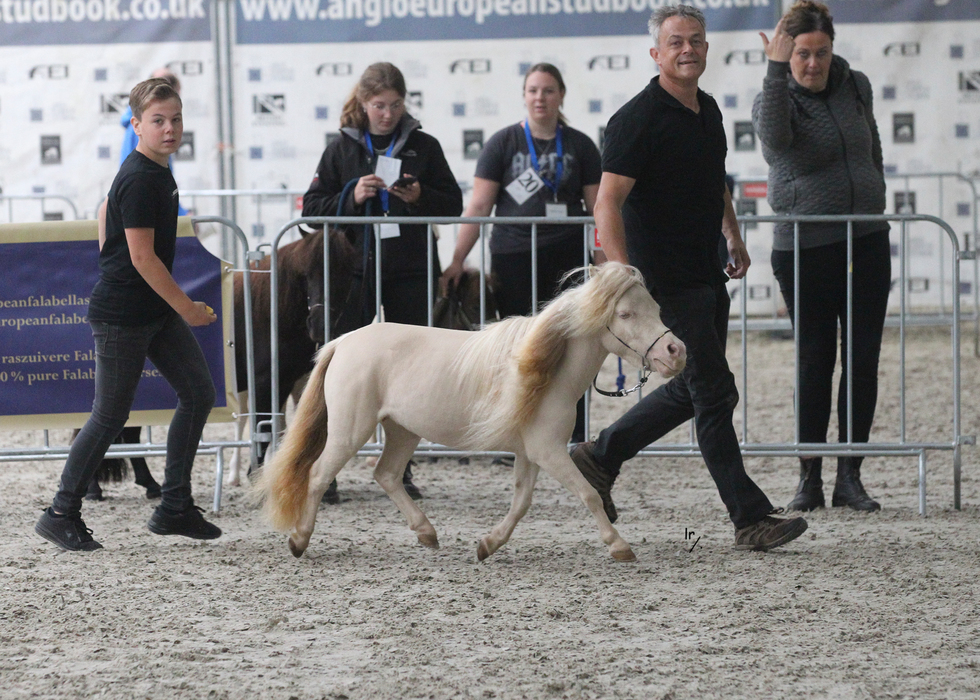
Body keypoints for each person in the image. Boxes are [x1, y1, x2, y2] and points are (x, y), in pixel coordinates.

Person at [569, 5, 808, 551]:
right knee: (714, 392)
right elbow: (607, 203)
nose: (688, 49)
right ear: (656, 53)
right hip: (663, 284)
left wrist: (733, 233)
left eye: (696, 40)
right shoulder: (635, 119)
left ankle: (600, 455)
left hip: (706, 272)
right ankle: (749, 518)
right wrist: (623, 278)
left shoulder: (709, 110)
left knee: (691, 389)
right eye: (676, 42)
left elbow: (713, 180)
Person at [35, 78, 220, 551]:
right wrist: (188, 308)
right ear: (136, 125)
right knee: (110, 414)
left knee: (198, 393)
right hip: (123, 315)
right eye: (158, 120)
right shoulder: (140, 176)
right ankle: (60, 512)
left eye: (176, 119)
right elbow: (141, 257)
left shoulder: (155, 170)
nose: (170, 128)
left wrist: (115, 259)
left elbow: (106, 211)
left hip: (150, 310)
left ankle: (175, 505)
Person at [302, 62, 463, 500]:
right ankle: (326, 470)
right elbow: (311, 210)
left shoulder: (424, 146)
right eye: (378, 106)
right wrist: (351, 196)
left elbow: (453, 205)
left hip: (411, 270)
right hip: (353, 272)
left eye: (394, 105)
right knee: (338, 369)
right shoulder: (340, 149)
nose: (387, 114)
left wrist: (420, 196)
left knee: (413, 371)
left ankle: (400, 466)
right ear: (363, 103)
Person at [753, 0, 889, 512]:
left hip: (866, 237)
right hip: (805, 246)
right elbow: (774, 141)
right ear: (787, 54)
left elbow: (872, 149)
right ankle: (808, 478)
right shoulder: (772, 97)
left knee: (863, 358)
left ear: (833, 49)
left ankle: (850, 477)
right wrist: (774, 72)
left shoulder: (857, 85)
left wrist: (875, 196)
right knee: (815, 359)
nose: (813, 64)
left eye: (822, 52)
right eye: (802, 54)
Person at [440, 62, 603, 442]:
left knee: (573, 348)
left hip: (568, 261)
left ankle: (572, 437)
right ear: (524, 96)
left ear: (561, 95)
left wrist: (602, 263)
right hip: (513, 258)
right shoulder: (502, 143)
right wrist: (458, 258)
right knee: (516, 347)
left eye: (548, 90)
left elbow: (598, 210)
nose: (539, 97)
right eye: (533, 90)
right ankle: (514, 436)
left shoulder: (580, 145)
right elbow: (479, 206)